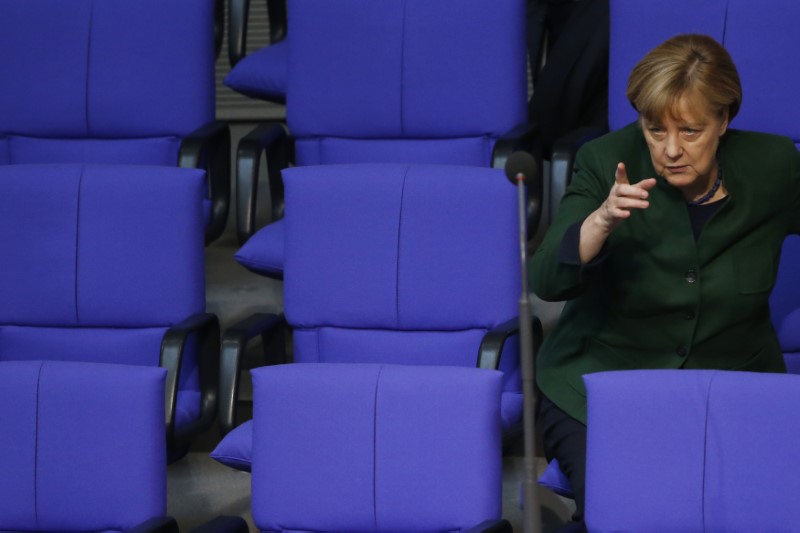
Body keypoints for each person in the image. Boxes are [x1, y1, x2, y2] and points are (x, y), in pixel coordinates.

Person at [530, 33, 800, 527]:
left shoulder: (775, 166)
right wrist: (601, 220)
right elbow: (546, 279)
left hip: (733, 389)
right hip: (601, 387)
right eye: (655, 130)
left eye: (691, 131)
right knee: (628, 511)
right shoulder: (603, 160)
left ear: (724, 121)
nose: (671, 149)